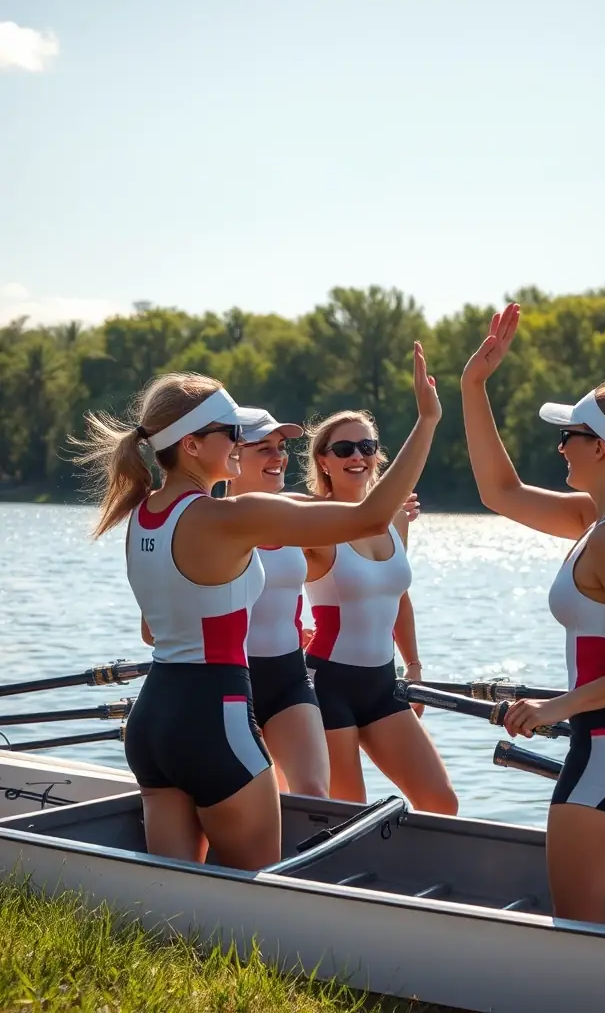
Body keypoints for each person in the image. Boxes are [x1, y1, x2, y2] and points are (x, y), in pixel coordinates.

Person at [70, 343, 441, 871]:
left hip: (154, 718)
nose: (242, 443)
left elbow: (155, 628)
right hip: (212, 716)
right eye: (233, 433)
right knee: (251, 891)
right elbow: (370, 516)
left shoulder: (141, 514)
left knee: (175, 898)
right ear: (194, 445)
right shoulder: (226, 518)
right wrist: (427, 421)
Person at [461, 301, 605, 932]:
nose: (560, 446)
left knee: (584, 940)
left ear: (599, 448)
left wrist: (553, 709)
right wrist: (474, 387)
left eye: (568, 435)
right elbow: (499, 493)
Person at [299, 408, 459, 815]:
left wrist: (415, 665)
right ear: (324, 460)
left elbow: (398, 595)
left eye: (367, 446)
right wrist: (289, 632)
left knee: (441, 802)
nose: (358, 456)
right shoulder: (311, 522)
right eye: (344, 448)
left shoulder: (395, 520)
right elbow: (268, 580)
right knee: (346, 814)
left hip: (382, 684)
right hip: (327, 686)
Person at [225, 408, 330, 798]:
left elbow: (364, 513)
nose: (279, 457)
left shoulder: (296, 513)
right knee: (253, 800)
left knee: (314, 794)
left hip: (289, 675)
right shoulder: (208, 519)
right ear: (232, 455)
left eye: (281, 448)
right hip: (230, 681)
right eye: (264, 448)